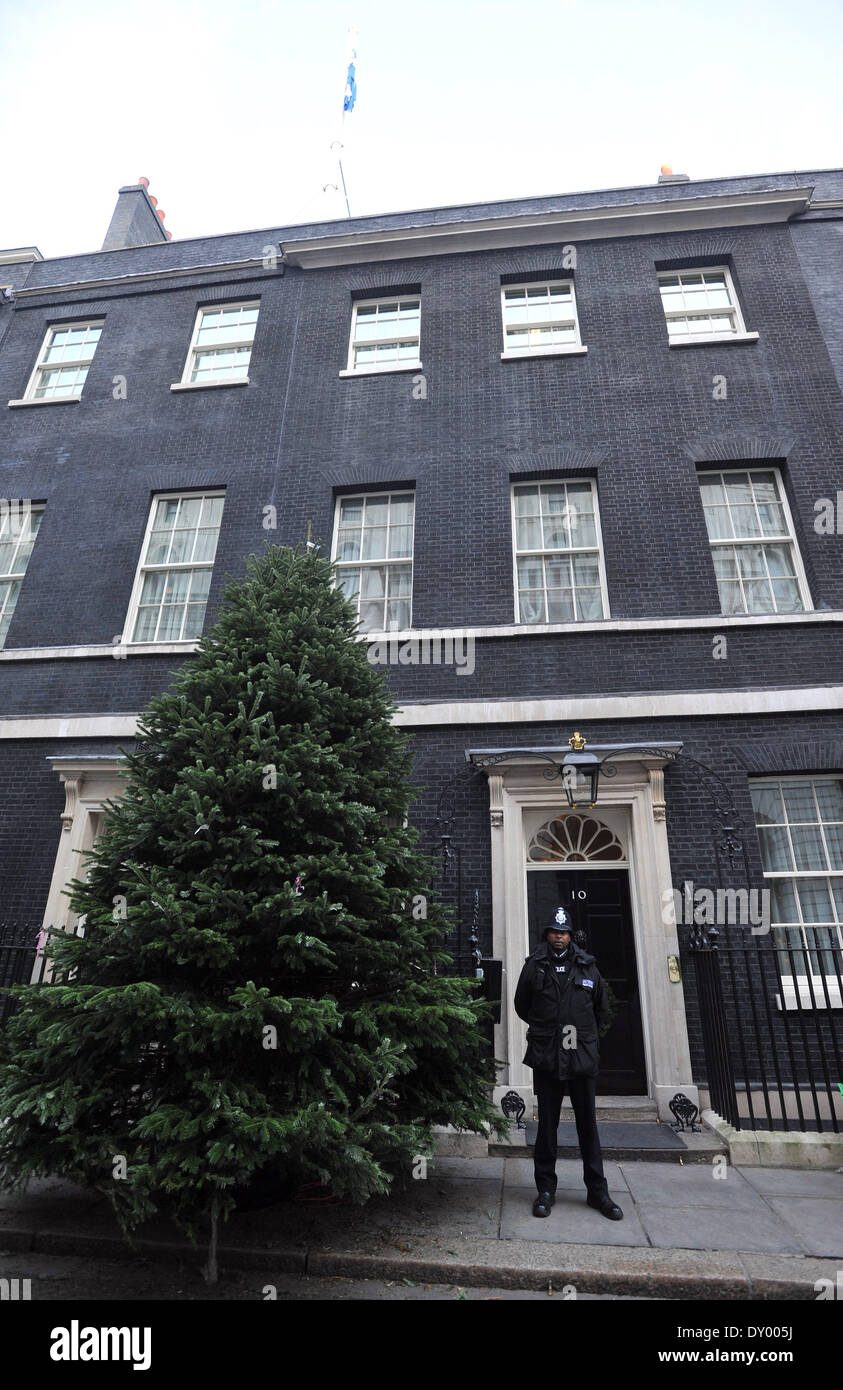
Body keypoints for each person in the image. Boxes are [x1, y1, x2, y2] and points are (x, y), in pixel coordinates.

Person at [513, 907, 623, 1220]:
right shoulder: (534, 967)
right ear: (546, 934)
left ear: (570, 935)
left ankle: (597, 1192)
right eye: (554, 932)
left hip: (581, 1058)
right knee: (547, 1127)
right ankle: (545, 1190)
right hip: (548, 1057)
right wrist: (547, 1030)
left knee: (588, 1125)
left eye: (564, 933)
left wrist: (587, 1038)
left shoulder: (588, 967)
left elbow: (605, 1008)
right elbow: (523, 1006)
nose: (559, 937)